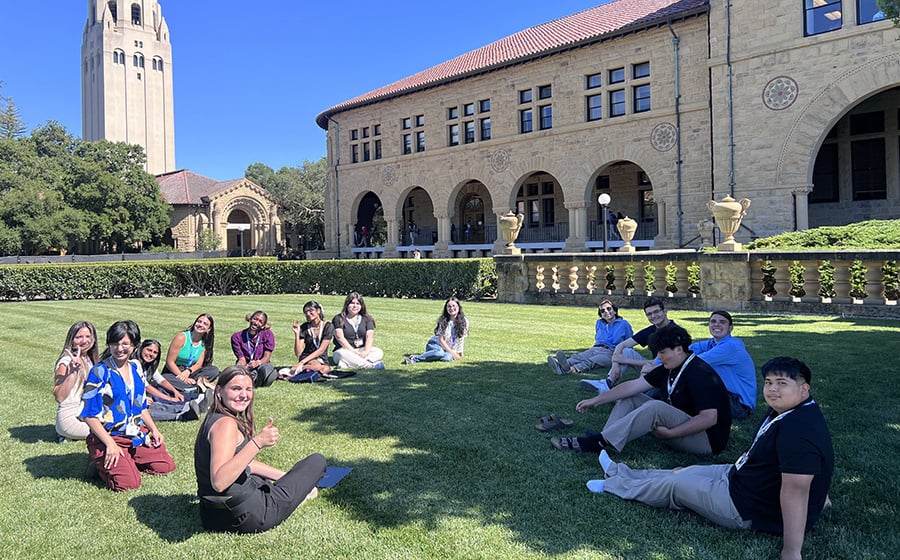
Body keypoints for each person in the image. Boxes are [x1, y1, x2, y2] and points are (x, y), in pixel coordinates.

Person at [589, 357, 833, 560]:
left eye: (782, 383)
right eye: (769, 382)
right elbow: (810, 469)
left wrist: (791, 551)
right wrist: (822, 497)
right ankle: (621, 471)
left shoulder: (799, 431)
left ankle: (614, 486)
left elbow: (796, 491)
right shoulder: (792, 409)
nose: (772, 389)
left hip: (746, 507)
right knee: (683, 471)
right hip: (740, 476)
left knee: (677, 485)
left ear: (804, 389)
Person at [552, 325, 731, 456]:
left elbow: (709, 418)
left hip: (707, 440)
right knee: (631, 397)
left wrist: (671, 434)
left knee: (655, 407)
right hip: (683, 424)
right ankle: (603, 438)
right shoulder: (671, 366)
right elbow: (632, 386)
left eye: (662, 352)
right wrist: (597, 400)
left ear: (679, 349)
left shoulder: (700, 373)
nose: (658, 357)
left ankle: (595, 442)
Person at [195, 365, 326, 533]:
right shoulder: (226, 425)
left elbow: (245, 463)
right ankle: (299, 495)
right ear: (219, 391)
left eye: (248, 389)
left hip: (212, 517)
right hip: (246, 517)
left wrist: (287, 477)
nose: (244, 395)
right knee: (316, 461)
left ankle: (290, 486)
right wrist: (257, 443)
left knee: (260, 480)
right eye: (236, 389)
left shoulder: (214, 418)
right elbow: (219, 482)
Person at [80, 320, 176, 491]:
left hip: (134, 433)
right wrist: (110, 444)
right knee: (129, 484)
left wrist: (154, 429)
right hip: (109, 435)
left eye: (125, 344)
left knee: (165, 466)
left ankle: (127, 459)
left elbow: (140, 406)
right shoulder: (100, 371)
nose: (119, 348)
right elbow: (89, 414)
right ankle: (100, 463)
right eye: (114, 343)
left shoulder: (136, 367)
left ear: (135, 346)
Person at [583, 297, 674, 393]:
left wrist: (625, 360)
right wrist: (615, 364)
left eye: (656, 312)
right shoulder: (651, 330)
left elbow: (661, 363)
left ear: (665, 311)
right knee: (626, 351)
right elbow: (621, 345)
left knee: (642, 382)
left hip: (666, 372)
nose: (653, 316)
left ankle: (630, 392)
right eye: (649, 314)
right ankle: (608, 383)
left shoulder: (674, 332)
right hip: (651, 368)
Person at [689, 311, 757, 419]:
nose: (716, 324)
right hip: (725, 395)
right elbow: (685, 349)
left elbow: (693, 362)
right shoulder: (712, 343)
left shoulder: (731, 346)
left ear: (730, 328)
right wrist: (656, 362)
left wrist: (663, 363)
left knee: (688, 386)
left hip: (739, 405)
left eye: (722, 322)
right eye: (713, 321)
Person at [547, 300, 633, 375]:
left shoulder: (624, 324)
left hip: (611, 352)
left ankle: (571, 370)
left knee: (592, 361)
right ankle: (563, 365)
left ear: (615, 311)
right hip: (596, 348)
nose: (606, 312)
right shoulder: (599, 323)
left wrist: (620, 357)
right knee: (578, 357)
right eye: (602, 311)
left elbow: (630, 342)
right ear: (601, 315)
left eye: (609, 308)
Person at [138, 339, 209, 422]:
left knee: (163, 391)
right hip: (135, 398)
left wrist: (175, 391)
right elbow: (146, 386)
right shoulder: (134, 364)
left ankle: (197, 399)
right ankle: (184, 412)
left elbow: (160, 380)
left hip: (143, 395)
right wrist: (169, 399)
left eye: (155, 352)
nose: (151, 354)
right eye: (149, 350)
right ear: (141, 348)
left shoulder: (149, 365)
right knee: (153, 406)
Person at [53, 321, 99, 441]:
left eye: (88, 336)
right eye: (79, 337)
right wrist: (73, 372)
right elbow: (59, 396)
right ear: (71, 339)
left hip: (86, 413)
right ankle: (67, 434)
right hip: (70, 416)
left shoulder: (89, 359)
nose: (84, 341)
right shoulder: (67, 361)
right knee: (110, 433)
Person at [162, 313, 220, 392]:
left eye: (205, 324)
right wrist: (182, 377)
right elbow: (170, 362)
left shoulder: (204, 344)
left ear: (208, 329)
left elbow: (198, 364)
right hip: (174, 371)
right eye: (199, 321)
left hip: (189, 371)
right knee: (164, 378)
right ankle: (195, 387)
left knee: (214, 370)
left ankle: (190, 387)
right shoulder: (181, 337)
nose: (200, 325)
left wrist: (188, 372)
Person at [404, 297, 469, 364]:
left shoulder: (464, 321)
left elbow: (461, 338)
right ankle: (414, 359)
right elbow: (441, 340)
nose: (451, 308)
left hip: (447, 348)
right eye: (449, 306)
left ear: (458, 307)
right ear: (446, 309)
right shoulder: (443, 320)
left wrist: (461, 353)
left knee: (447, 358)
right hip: (436, 344)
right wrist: (452, 352)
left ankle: (429, 356)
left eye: (454, 306)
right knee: (439, 353)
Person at [331, 292, 385, 370]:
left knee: (378, 352)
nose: (355, 306)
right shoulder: (338, 318)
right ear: (347, 304)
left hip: (361, 349)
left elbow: (369, 336)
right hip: (344, 350)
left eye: (358, 303)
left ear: (361, 306)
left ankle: (348, 363)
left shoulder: (367, 319)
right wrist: (353, 352)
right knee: (341, 354)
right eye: (352, 303)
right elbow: (340, 338)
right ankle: (369, 365)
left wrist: (366, 351)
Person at [286, 300, 334, 376]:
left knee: (326, 369)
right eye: (306, 312)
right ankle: (305, 370)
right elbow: (298, 353)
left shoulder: (328, 326)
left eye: (311, 310)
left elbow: (321, 350)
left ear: (318, 311)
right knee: (318, 366)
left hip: (322, 358)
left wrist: (300, 364)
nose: (308, 314)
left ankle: (300, 370)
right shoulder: (304, 327)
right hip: (307, 357)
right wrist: (297, 334)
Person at [231, 310, 277, 387]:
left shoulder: (268, 334)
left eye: (260, 321)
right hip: (246, 365)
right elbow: (241, 359)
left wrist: (257, 363)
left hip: (261, 364)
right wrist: (244, 368)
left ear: (263, 325)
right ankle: (252, 378)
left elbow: (266, 357)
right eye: (255, 319)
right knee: (237, 370)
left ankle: (254, 378)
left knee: (266, 369)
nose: (256, 323)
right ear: (250, 319)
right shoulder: (237, 337)